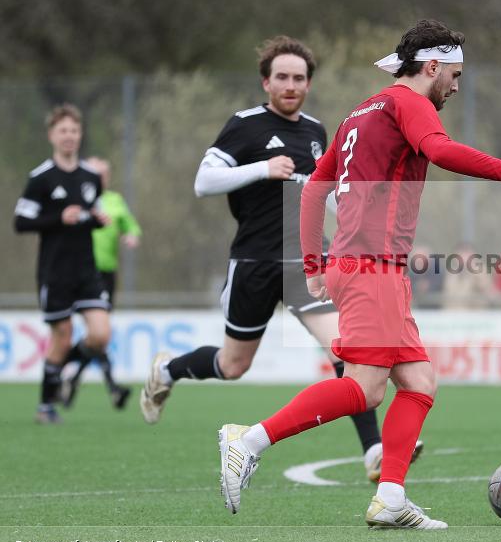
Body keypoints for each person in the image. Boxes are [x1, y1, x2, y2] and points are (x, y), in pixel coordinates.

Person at [216, 19, 501, 528]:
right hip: (370, 267)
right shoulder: (409, 103)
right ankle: (247, 440)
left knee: (419, 380)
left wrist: (315, 265)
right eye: (455, 75)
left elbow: (314, 190)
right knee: (365, 389)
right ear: (433, 66)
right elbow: (441, 151)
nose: (457, 86)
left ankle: (391, 497)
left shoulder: (358, 112)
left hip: (369, 267)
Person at [139, 36, 405, 482]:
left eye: (299, 78)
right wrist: (263, 168)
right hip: (254, 263)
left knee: (345, 345)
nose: (290, 85)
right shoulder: (244, 125)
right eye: (281, 77)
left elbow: (328, 196)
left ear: (308, 84)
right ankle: (167, 370)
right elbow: (204, 181)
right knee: (232, 366)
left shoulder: (318, 132)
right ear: (266, 81)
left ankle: (373, 451)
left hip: (306, 263)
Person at [13, 104, 130, 423]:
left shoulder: (91, 177)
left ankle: (62, 368)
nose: (69, 136)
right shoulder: (40, 178)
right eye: (63, 131)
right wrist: (57, 218)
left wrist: (96, 219)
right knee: (61, 337)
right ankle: (45, 406)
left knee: (100, 335)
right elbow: (20, 222)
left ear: (80, 136)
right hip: (55, 271)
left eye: (74, 131)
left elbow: (86, 217)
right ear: (52, 135)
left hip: (87, 270)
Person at [61, 156, 141, 408]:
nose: (100, 178)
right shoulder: (76, 198)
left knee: (99, 335)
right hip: (79, 272)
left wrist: (131, 236)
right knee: (97, 334)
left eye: (104, 173)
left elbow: (132, 226)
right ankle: (110, 386)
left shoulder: (115, 201)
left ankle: (66, 372)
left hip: (106, 274)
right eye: (96, 173)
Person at [442, 242, 494, 310]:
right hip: (452, 314)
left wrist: (472, 270)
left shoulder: (481, 270)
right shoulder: (451, 273)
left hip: (474, 315)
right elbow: (446, 295)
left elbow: (486, 290)